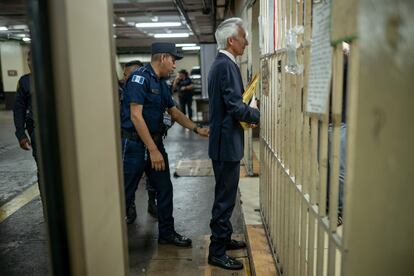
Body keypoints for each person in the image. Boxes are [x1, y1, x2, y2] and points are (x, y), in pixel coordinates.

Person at [121, 42, 209, 247]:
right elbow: (136, 116)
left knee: (164, 189)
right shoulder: (139, 79)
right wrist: (152, 150)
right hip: (135, 146)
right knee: (126, 192)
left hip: (154, 143)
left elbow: (174, 112)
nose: (175, 65)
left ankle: (167, 234)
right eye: (173, 60)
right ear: (162, 58)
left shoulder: (160, 82)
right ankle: (109, 239)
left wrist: (197, 129)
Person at [207, 17, 260, 270]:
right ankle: (216, 250)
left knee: (225, 194)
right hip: (225, 143)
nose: (246, 42)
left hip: (225, 141)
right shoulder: (225, 66)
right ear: (231, 40)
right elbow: (235, 107)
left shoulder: (223, 64)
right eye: (243, 38)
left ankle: (224, 239)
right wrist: (260, 116)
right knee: (225, 199)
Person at [118, 60, 158, 223]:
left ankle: (151, 202)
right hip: (128, 139)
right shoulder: (120, 90)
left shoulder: (147, 86)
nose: (125, 78)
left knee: (153, 177)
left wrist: (163, 127)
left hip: (148, 140)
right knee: (129, 180)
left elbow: (166, 110)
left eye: (127, 75)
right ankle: (129, 207)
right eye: (125, 75)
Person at [13, 51, 45, 206]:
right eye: (28, 59)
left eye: (32, 59)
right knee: (43, 169)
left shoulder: (56, 77)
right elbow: (18, 108)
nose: (29, 62)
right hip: (37, 132)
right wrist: (21, 134)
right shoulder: (25, 82)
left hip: (60, 133)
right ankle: (48, 204)